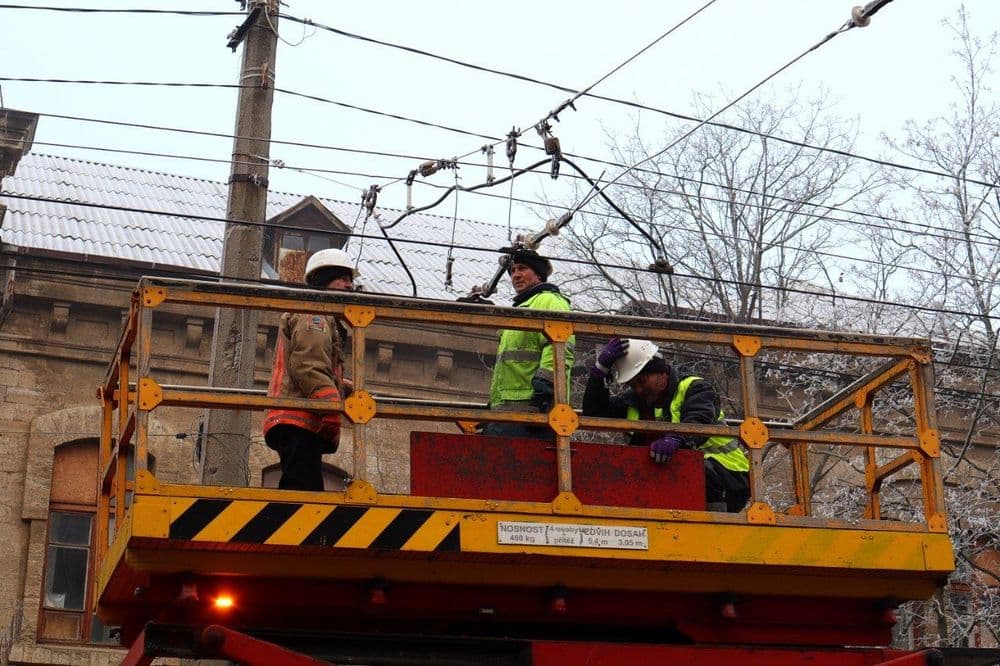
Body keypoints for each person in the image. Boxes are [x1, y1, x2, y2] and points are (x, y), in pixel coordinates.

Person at [583, 338, 750, 512]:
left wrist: (676, 439)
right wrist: (598, 373)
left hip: (729, 476)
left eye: (642, 381)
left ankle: (713, 528)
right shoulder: (635, 402)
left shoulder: (694, 388)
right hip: (674, 482)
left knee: (688, 466)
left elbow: (699, 419)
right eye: (633, 385)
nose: (638, 389)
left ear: (661, 373)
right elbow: (594, 414)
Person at [262, 248, 356, 490]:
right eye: (342, 279)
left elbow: (310, 362)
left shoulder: (321, 317)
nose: (349, 285)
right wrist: (331, 404)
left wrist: (341, 388)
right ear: (324, 281)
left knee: (304, 485)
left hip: (298, 419)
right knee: (302, 491)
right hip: (299, 420)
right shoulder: (315, 314)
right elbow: (308, 364)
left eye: (351, 280)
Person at [484, 249, 574, 438]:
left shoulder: (549, 301)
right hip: (508, 413)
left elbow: (560, 348)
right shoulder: (521, 309)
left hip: (533, 412)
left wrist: (543, 393)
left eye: (522, 268)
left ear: (539, 274)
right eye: (513, 270)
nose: (516, 275)